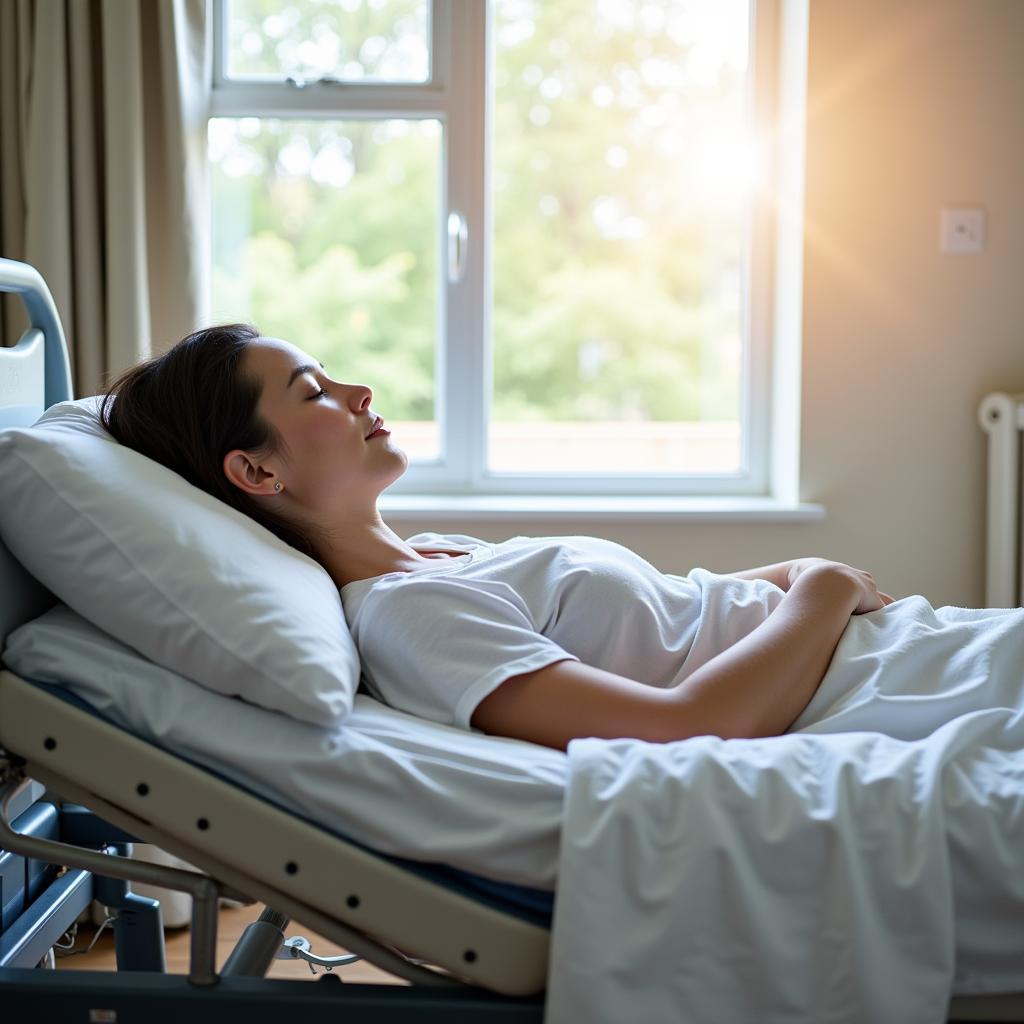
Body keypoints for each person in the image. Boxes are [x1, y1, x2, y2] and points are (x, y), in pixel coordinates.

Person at [102, 324, 895, 751]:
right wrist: (823, 588)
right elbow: (683, 726)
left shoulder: (440, 555)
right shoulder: (410, 616)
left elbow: (668, 623)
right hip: (851, 691)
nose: (358, 391)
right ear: (256, 473)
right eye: (313, 392)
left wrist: (795, 573)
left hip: (871, 653)